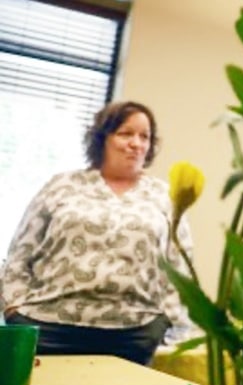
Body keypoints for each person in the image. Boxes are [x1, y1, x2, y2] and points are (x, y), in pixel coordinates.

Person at [0, 101, 195, 365]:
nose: (136, 143)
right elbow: (19, 253)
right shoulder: (62, 185)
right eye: (126, 133)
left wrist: (165, 323)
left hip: (133, 334)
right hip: (48, 326)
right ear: (102, 137)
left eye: (144, 136)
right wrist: (14, 310)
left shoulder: (165, 196)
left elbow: (180, 266)